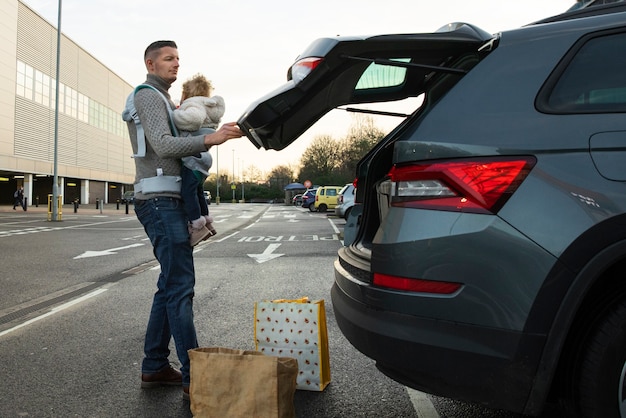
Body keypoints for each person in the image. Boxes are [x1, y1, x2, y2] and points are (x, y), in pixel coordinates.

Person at [125, 40, 242, 400]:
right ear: (150, 63)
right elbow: (161, 145)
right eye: (168, 58)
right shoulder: (147, 95)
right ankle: (195, 377)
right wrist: (211, 138)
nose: (176, 64)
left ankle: (155, 366)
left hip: (167, 198)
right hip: (158, 201)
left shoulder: (165, 100)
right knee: (180, 287)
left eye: (178, 58)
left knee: (169, 285)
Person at [173, 73, 225, 246]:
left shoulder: (193, 105)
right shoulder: (210, 108)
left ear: (187, 94)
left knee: (188, 191)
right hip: (204, 157)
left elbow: (194, 120)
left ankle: (196, 226)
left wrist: (175, 114)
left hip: (192, 157)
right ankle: (207, 223)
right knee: (198, 191)